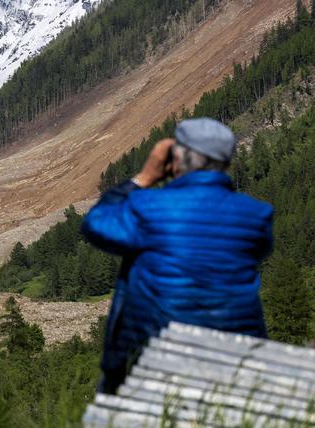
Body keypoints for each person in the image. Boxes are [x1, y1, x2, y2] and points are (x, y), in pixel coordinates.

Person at [82, 118, 273, 394]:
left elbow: (96, 224)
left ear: (178, 159)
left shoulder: (148, 207)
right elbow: (257, 250)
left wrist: (144, 178)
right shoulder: (257, 215)